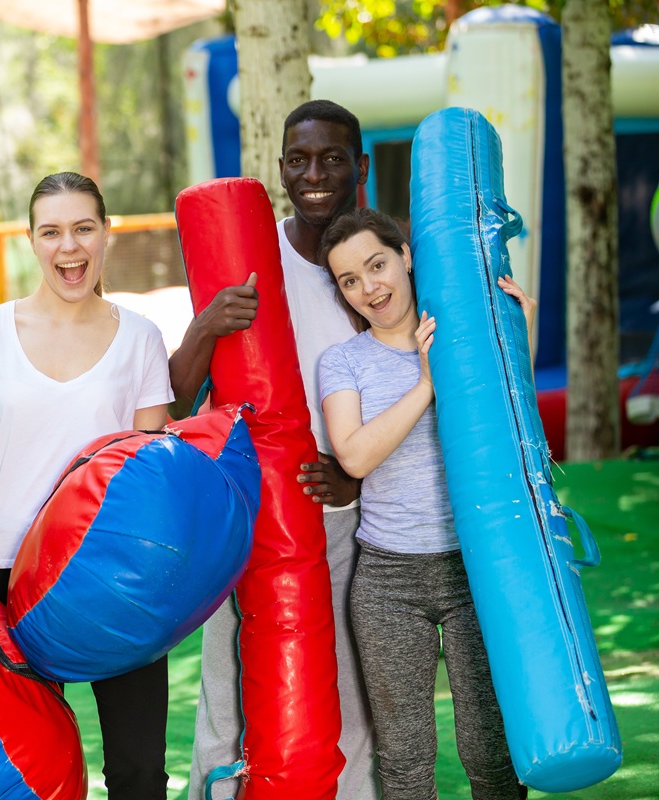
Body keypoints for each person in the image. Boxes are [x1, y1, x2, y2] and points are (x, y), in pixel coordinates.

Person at [0, 172, 175, 800]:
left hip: (114, 579)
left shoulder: (141, 339)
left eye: (82, 228)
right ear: (31, 240)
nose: (68, 248)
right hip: (8, 578)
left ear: (107, 233)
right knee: (31, 768)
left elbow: (148, 475)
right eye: (51, 232)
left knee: (137, 770)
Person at [180, 100, 381, 800]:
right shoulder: (251, 255)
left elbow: (412, 391)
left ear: (362, 167)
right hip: (248, 513)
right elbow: (175, 399)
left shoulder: (374, 270)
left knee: (346, 689)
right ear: (281, 171)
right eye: (299, 160)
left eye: (332, 159)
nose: (315, 173)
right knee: (228, 689)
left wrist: (355, 477)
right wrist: (206, 327)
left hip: (340, 516)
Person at [318, 207, 530, 800]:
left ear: (406, 256)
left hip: (475, 570)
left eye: (377, 264)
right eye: (350, 280)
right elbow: (355, 457)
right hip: (388, 578)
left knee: (491, 750)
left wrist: (520, 336)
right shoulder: (343, 362)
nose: (370, 288)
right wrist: (426, 384)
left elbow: (515, 430)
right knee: (406, 761)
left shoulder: (466, 338)